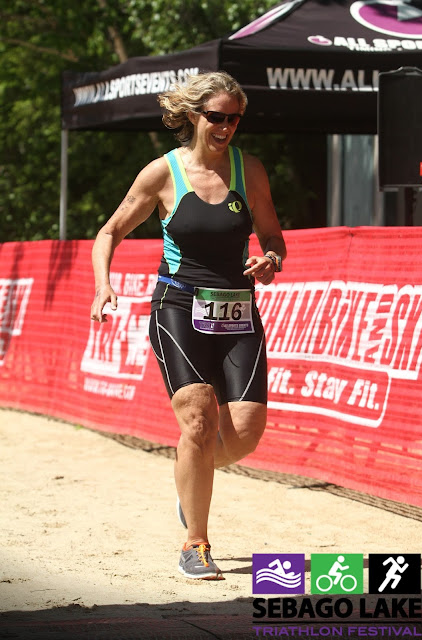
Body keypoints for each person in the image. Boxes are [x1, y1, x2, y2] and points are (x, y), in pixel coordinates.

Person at [90, 71, 286, 580]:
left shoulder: (249, 170)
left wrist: (271, 260)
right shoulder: (163, 173)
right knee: (198, 420)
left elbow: (273, 237)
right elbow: (108, 232)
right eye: (217, 117)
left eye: (234, 119)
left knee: (245, 434)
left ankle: (189, 475)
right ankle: (195, 543)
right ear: (194, 116)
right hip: (178, 308)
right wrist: (103, 284)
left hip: (238, 311)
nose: (226, 127)